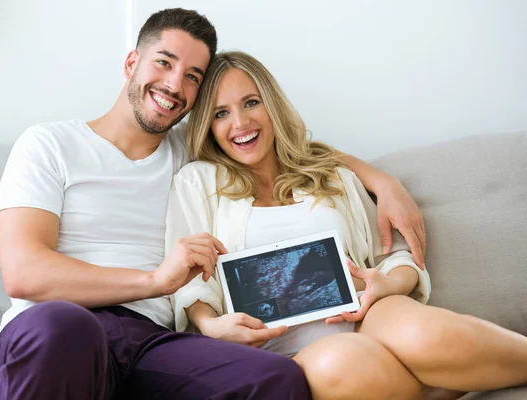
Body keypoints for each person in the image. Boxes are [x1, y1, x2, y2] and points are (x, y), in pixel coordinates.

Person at [0, 8, 428, 400]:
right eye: (164, 62)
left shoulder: (192, 155)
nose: (174, 85)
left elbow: (286, 149)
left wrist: (381, 181)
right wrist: (153, 281)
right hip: (56, 329)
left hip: (149, 341)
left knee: (277, 378)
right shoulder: (49, 144)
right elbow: (25, 272)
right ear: (131, 63)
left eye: (193, 77)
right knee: (67, 329)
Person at [165, 51, 527, 400]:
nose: (240, 123)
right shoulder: (198, 183)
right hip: (278, 348)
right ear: (208, 127)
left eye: (251, 102)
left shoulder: (331, 174)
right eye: (221, 113)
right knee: (342, 365)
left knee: (428, 336)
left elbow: (395, 257)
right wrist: (212, 327)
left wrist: (387, 284)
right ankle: (449, 383)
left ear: (271, 104)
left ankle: (457, 369)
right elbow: (191, 281)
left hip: (368, 314)